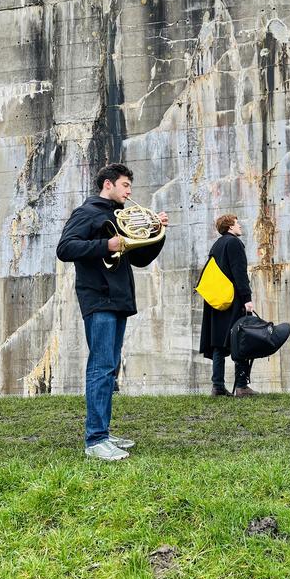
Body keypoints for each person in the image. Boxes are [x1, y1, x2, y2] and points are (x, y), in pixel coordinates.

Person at [56, 163, 168, 460]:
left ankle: (102, 431)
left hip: (117, 298)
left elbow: (141, 258)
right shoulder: (88, 212)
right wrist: (107, 244)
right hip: (98, 298)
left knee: (109, 369)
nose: (129, 192)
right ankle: (95, 440)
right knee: (101, 367)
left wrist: (159, 230)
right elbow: (65, 248)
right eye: (125, 186)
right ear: (108, 185)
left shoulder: (116, 217)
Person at [199, 215, 256, 397]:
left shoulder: (217, 245)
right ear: (230, 226)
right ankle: (241, 386)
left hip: (217, 300)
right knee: (240, 339)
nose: (240, 226)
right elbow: (239, 272)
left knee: (219, 344)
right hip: (233, 301)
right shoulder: (234, 243)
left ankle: (218, 387)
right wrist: (247, 298)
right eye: (237, 223)